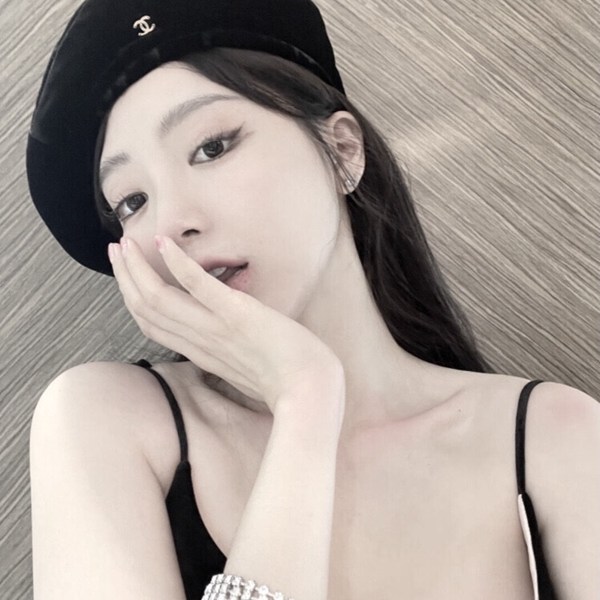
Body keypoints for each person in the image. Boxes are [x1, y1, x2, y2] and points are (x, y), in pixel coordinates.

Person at [26, 0, 599, 599]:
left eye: (213, 147)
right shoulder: (107, 422)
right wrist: (306, 399)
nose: (172, 221)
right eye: (132, 202)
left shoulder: (553, 438)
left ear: (342, 151)